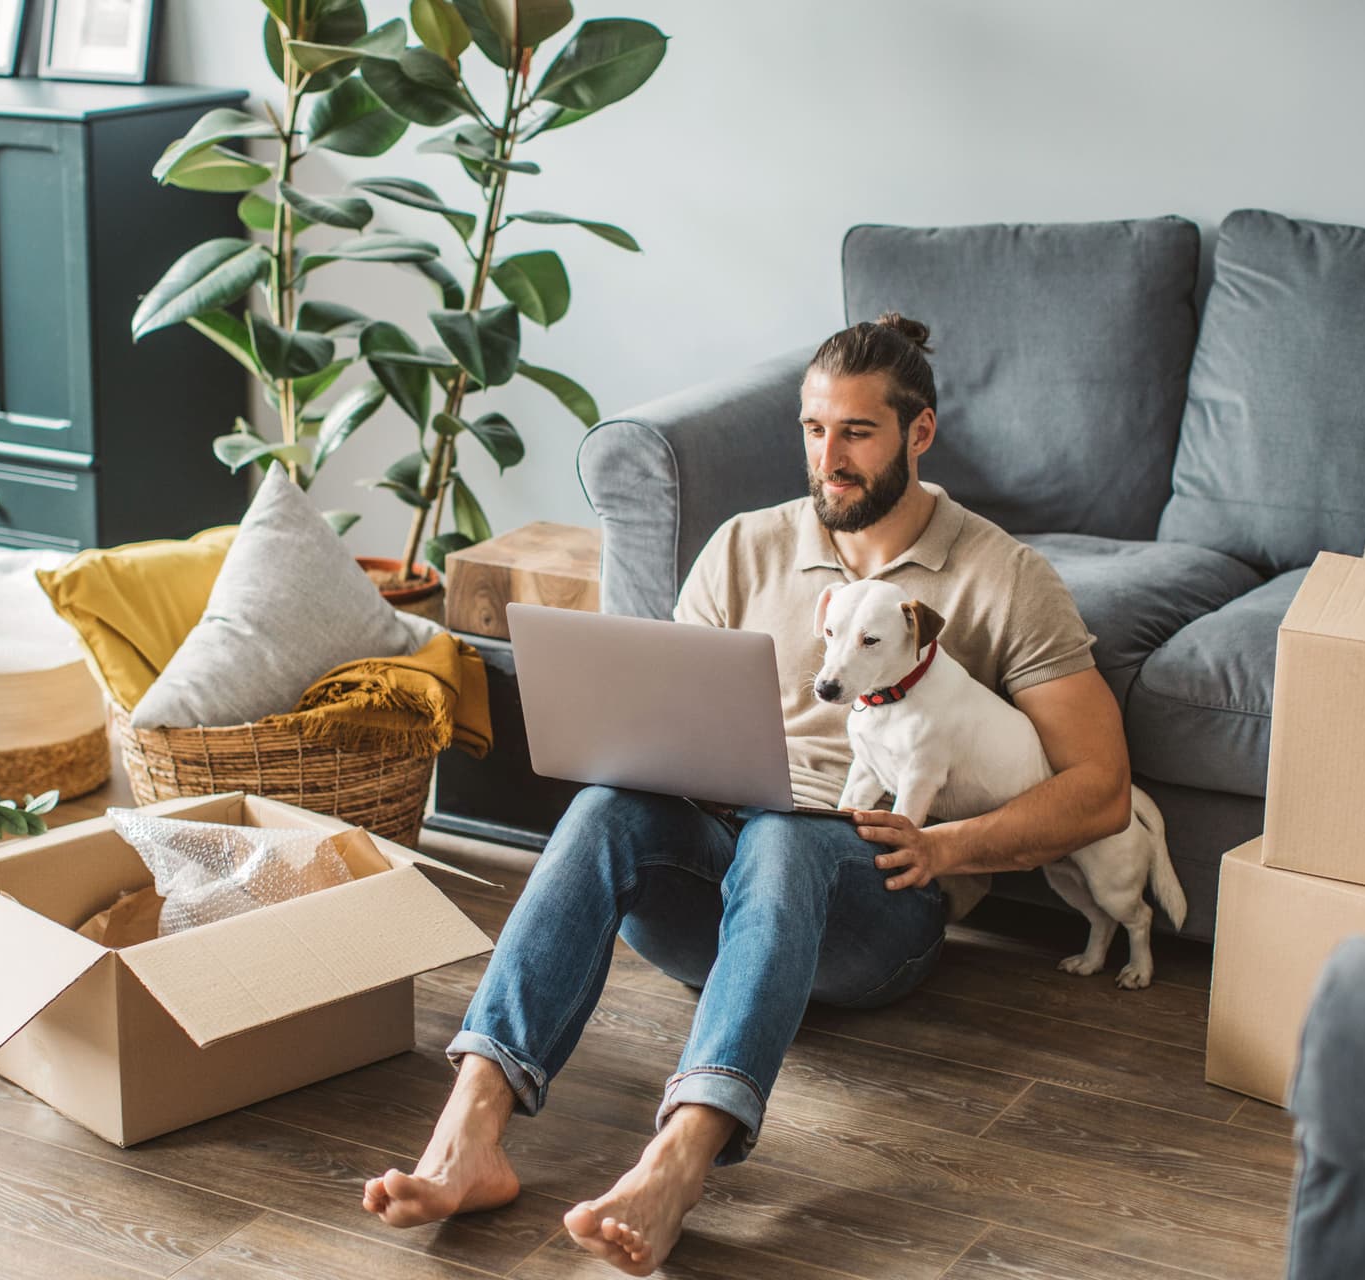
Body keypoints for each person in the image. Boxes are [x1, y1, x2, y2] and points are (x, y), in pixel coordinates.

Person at [362, 315, 1133, 1275]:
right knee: (608, 807)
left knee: (788, 838)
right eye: (814, 430)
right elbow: (664, 719)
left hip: (875, 909)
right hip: (713, 894)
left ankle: (681, 1159)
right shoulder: (743, 548)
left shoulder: (1004, 577)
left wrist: (948, 848)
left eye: (857, 432)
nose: (829, 457)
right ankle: (468, 1136)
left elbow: (1102, 791)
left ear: (920, 434)